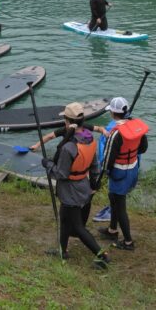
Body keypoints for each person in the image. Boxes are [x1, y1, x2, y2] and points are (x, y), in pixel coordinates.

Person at [42, 103, 109, 269]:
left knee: (78, 228)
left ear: (67, 122)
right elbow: (94, 166)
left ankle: (102, 256)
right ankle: (62, 250)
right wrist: (94, 184)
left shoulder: (68, 147)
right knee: (65, 220)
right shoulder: (90, 139)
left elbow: (61, 174)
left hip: (71, 191)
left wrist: (48, 165)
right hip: (84, 187)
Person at [98, 97, 149, 251]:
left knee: (120, 206)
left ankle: (128, 242)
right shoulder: (135, 128)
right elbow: (143, 148)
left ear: (113, 113)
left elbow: (107, 158)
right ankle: (112, 230)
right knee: (113, 198)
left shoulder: (116, 133)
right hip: (131, 168)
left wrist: (104, 172)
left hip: (119, 172)